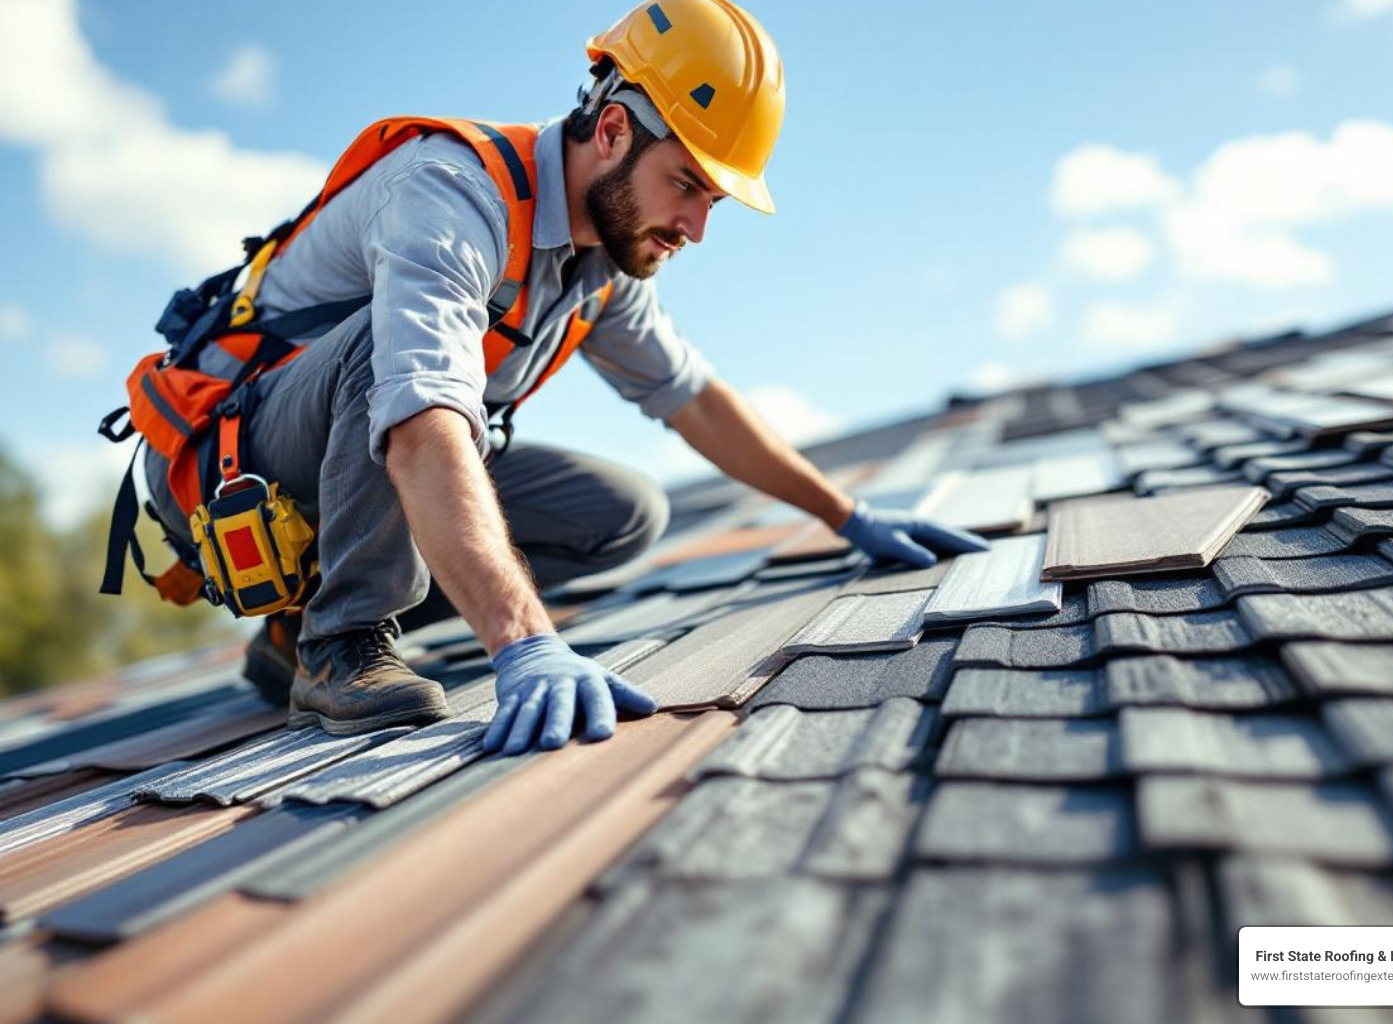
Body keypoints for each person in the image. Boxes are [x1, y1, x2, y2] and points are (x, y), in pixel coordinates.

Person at [133, 0, 989, 756]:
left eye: (712, 202)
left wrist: (845, 514)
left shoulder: (605, 262)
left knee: (620, 513)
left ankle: (295, 631)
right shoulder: (451, 193)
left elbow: (694, 399)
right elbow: (421, 414)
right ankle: (341, 647)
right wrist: (523, 642)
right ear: (612, 128)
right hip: (226, 466)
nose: (693, 226)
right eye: (685, 184)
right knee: (386, 355)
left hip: (350, 464)